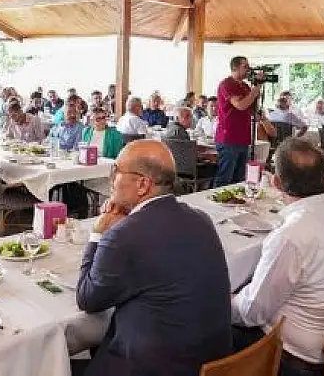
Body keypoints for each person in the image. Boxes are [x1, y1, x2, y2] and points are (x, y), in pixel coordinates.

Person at [76, 140, 232, 376]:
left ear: (142, 185)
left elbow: (87, 298)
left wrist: (98, 234)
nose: (111, 178)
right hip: (214, 362)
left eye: (116, 170)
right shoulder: (201, 218)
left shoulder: (124, 237)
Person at [231, 138, 324, 374]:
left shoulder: (291, 235)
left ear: (276, 183)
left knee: (207, 324)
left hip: (297, 355)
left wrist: (222, 300)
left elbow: (252, 313)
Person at [215, 56, 261, 187]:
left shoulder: (246, 86)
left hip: (244, 137)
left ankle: (234, 204)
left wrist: (256, 91)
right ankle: (215, 205)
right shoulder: (227, 84)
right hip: (229, 137)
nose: (248, 70)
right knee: (225, 177)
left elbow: (250, 110)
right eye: (245, 66)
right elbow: (240, 105)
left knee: (239, 179)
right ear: (235, 67)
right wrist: (253, 93)